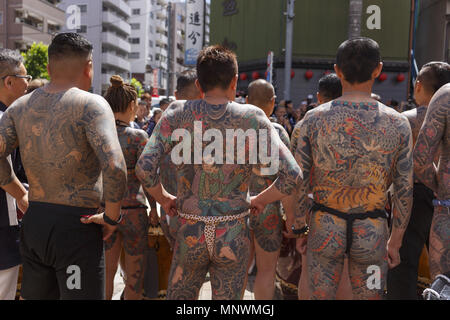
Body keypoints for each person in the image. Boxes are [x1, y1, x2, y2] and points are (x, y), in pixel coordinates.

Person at [136, 45, 301, 300]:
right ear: (235, 82)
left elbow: (144, 168)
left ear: (199, 84)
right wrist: (259, 201)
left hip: (190, 229)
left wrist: (164, 198)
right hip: (232, 231)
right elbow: (293, 174)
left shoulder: (178, 113)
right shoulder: (253, 118)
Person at [0, 33, 127, 300]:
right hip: (76, 226)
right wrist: (112, 217)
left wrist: (20, 194)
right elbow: (114, 165)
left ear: (48, 68)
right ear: (88, 67)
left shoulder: (18, 108)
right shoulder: (92, 104)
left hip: (35, 222)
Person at [289, 37, 413, 299]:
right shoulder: (398, 123)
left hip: (325, 226)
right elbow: (404, 188)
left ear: (337, 70)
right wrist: (396, 240)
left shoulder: (314, 119)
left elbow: (297, 180)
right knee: (370, 295)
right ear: (378, 70)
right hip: (372, 232)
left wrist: (300, 227)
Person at [388, 61, 450, 299]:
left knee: (404, 260)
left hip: (416, 192)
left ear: (418, 85)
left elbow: (411, 160)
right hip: (441, 194)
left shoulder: (405, 119)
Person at [289, 72, 352, 300]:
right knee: (345, 274)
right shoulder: (357, 123)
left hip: (315, 207)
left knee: (308, 271)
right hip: (351, 206)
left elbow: (297, 176)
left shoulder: (305, 124)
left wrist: (297, 222)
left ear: (319, 96)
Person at [103, 75, 153, 300]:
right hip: (134, 213)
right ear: (132, 106)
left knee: (105, 273)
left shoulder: (97, 135)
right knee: (135, 275)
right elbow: (148, 177)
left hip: (103, 213)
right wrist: (155, 211)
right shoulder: (138, 137)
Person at [246, 79, 290, 299]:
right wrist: (292, 216)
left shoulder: (233, 130)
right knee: (266, 272)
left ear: (246, 101)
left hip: (238, 208)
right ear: (272, 103)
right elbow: (290, 177)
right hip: (268, 208)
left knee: (235, 273)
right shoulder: (278, 132)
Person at [159, 70, 203, 249]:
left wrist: (161, 200)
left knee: (175, 268)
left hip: (171, 210)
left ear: (175, 95)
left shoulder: (165, 126)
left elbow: (145, 169)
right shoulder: (213, 125)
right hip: (204, 215)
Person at [0, 49, 30, 300]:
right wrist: (22, 196)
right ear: (8, 81)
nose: (28, 83)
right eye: (25, 77)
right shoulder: (3, 119)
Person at [414, 82, 450, 280]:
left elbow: (420, 160)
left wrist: (441, 187)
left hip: (448, 207)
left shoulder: (445, 96)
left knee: (444, 287)